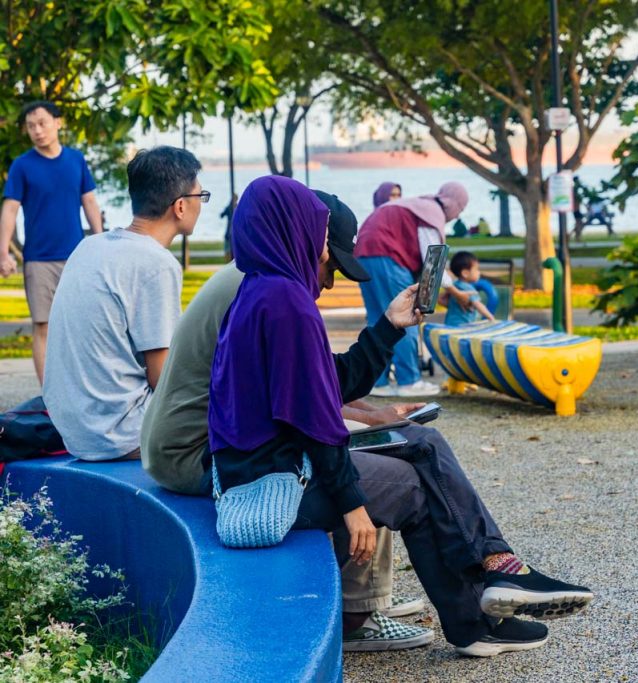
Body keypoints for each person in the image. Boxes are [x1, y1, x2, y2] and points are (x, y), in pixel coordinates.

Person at [208, 175, 593, 657]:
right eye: (323, 243)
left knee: (420, 441)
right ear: (295, 231)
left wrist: (389, 327)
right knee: (412, 485)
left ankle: (496, 575)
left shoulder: (257, 293)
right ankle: (479, 610)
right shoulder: (286, 303)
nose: (328, 272)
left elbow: (330, 382)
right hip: (276, 483)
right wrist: (352, 504)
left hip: (266, 467)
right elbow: (314, 418)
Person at [141, 190, 433, 652]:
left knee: (368, 439)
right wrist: (363, 423)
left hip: (215, 439)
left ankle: (367, 601)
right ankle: (360, 611)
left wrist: (369, 411)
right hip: (196, 452)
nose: (328, 280)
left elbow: (308, 382)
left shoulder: (261, 275)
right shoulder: (269, 290)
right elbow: (301, 398)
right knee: (368, 457)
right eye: (330, 264)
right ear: (307, 238)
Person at [42, 146, 203, 460]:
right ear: (181, 206)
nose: (201, 204)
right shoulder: (157, 264)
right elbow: (163, 378)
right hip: (122, 434)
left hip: (75, 430)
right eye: (201, 196)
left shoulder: (88, 247)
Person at [0, 101, 103, 383]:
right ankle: (50, 394)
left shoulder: (76, 160)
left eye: (42, 123)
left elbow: (89, 201)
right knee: (43, 326)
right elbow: (10, 209)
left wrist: (99, 241)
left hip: (76, 258)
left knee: (80, 324)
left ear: (58, 123)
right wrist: (3, 253)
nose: (37, 130)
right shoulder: (22, 165)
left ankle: (81, 387)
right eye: (31, 126)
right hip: (39, 260)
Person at [354, 182, 474, 397]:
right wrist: (456, 293)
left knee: (377, 320)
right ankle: (408, 381)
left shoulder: (416, 204)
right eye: (460, 208)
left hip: (363, 255)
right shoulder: (431, 212)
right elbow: (433, 259)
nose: (457, 215)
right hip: (388, 257)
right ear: (453, 202)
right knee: (404, 317)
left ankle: (377, 382)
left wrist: (437, 295)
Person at [444, 251, 495, 327]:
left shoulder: (454, 285)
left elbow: (441, 300)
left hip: (449, 322)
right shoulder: (468, 288)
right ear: (465, 273)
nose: (479, 272)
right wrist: (491, 318)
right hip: (463, 324)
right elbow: (478, 304)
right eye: (477, 269)